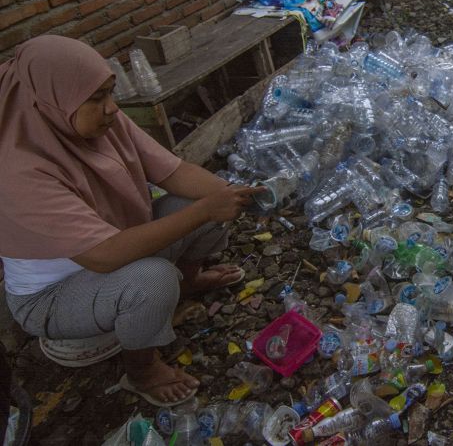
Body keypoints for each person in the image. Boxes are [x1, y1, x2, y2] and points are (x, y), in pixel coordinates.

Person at [0, 36, 264, 407]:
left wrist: (238, 195)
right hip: (54, 293)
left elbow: (171, 171)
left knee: (203, 198)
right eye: (96, 98)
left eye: (109, 93)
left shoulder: (99, 121)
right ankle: (142, 370)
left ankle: (187, 283)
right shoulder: (19, 170)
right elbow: (103, 256)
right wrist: (207, 209)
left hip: (115, 244)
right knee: (153, 279)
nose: (111, 108)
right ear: (50, 102)